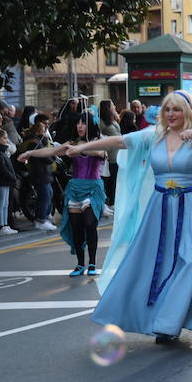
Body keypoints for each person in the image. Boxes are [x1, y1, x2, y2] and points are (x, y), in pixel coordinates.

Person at [71, 90, 192, 344]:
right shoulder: (154, 136)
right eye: (167, 109)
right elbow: (118, 141)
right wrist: (82, 147)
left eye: (177, 109)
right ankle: (164, 323)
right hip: (160, 209)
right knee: (159, 265)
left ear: (188, 112)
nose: (171, 114)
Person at [19, 111, 106, 275]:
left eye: (83, 123)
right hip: (75, 189)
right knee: (76, 228)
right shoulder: (71, 143)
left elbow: (100, 153)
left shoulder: (98, 142)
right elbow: (50, 151)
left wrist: (79, 148)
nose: (80, 126)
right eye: (78, 123)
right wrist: (30, 153)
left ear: (90, 125)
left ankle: (92, 263)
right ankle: (80, 264)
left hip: (93, 188)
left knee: (90, 224)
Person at [17, 115, 57, 230]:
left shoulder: (39, 141)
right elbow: (47, 158)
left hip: (42, 173)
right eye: (44, 130)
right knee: (45, 196)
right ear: (38, 131)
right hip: (40, 174)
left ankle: (45, 216)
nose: (45, 132)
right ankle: (41, 219)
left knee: (48, 194)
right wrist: (52, 154)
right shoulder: (35, 143)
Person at [0, 128, 19, 236]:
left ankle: (5, 225)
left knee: (5, 204)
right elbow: (2, 168)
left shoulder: (3, 151)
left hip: (6, 181)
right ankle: (0, 226)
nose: (6, 140)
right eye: (4, 138)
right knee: (1, 204)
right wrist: (12, 176)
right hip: (2, 181)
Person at [98, 100, 120, 211]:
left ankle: (113, 200)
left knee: (115, 179)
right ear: (107, 108)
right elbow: (98, 135)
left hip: (118, 154)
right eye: (112, 105)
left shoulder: (112, 119)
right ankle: (109, 201)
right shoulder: (101, 122)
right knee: (110, 180)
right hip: (110, 155)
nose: (114, 106)